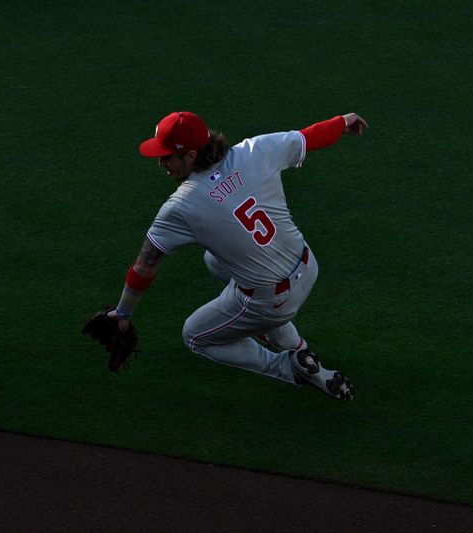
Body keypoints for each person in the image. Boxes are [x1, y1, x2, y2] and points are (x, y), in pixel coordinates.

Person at [107, 111, 369, 400]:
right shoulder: (254, 150)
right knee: (213, 260)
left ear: (191, 155)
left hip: (272, 301)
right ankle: (298, 348)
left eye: (168, 156)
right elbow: (309, 136)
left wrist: (123, 313)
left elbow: (145, 263)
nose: (161, 163)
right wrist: (343, 121)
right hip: (308, 265)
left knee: (195, 336)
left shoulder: (181, 206)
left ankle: (288, 366)